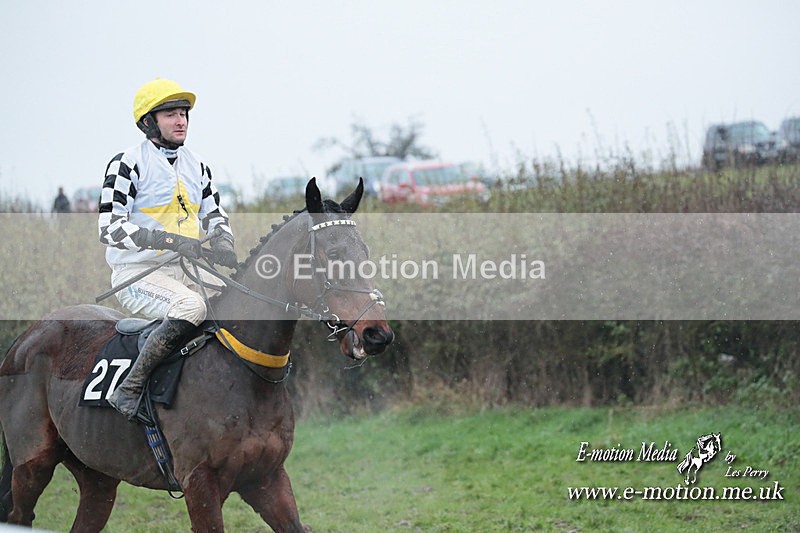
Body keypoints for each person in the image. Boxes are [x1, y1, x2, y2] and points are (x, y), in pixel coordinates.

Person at [98, 78, 238, 420]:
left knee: (240, 305)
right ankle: (130, 388)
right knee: (192, 307)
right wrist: (169, 241)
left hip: (187, 271)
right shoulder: (127, 164)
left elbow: (214, 213)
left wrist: (223, 239)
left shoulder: (199, 165)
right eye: (170, 115)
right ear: (149, 122)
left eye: (183, 114)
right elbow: (110, 228)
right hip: (137, 274)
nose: (181, 121)